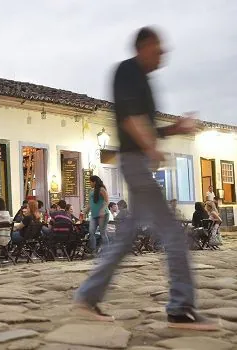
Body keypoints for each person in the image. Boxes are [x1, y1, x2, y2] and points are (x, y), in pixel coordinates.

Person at [73, 27, 217, 330]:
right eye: (159, 48)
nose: (162, 54)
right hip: (136, 162)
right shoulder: (128, 71)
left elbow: (146, 125)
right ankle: (180, 308)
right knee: (174, 234)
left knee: (125, 238)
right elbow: (128, 117)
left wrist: (174, 130)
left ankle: (87, 296)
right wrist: (150, 146)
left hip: (138, 161)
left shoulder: (145, 83)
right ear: (145, 45)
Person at [83, 175, 111, 252]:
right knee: (91, 232)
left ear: (94, 182)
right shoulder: (91, 191)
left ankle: (107, 251)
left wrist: (102, 210)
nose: (90, 183)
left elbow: (106, 201)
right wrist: (85, 210)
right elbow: (90, 203)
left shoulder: (102, 189)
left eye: (90, 182)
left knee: (102, 233)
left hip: (103, 215)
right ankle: (93, 250)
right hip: (94, 215)